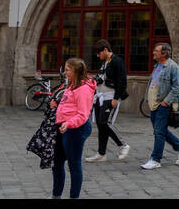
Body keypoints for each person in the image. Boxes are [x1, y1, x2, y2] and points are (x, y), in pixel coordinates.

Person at [141, 42, 179, 169]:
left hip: (163, 105)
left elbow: (178, 87)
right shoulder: (157, 65)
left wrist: (165, 102)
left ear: (164, 53)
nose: (153, 52)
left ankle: (155, 159)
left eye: (156, 51)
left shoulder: (173, 67)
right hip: (154, 104)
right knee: (160, 130)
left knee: (158, 132)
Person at [51, 57, 95, 198]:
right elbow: (69, 105)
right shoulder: (71, 85)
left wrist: (68, 123)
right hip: (63, 127)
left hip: (75, 129)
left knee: (73, 165)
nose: (65, 72)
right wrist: (57, 104)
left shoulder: (83, 89)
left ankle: (74, 196)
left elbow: (83, 115)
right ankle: (56, 195)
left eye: (68, 70)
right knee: (57, 163)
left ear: (76, 71)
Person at [87, 39, 130, 164]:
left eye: (99, 53)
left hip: (110, 97)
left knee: (105, 122)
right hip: (101, 97)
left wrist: (116, 98)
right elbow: (102, 78)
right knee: (101, 125)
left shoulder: (117, 61)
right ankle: (101, 153)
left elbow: (122, 81)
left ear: (105, 50)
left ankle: (123, 145)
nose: (97, 55)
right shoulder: (105, 62)